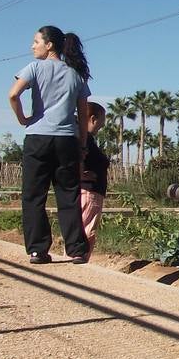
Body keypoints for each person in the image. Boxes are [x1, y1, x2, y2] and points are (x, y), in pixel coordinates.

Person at [8, 25, 92, 265]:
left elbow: (13, 95)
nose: (32, 46)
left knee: (34, 195)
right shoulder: (75, 74)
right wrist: (83, 146)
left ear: (49, 45)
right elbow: (84, 114)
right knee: (68, 194)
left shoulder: (34, 68)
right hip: (67, 140)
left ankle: (38, 250)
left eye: (36, 41)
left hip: (38, 138)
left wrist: (23, 119)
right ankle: (76, 249)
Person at [79, 102, 110, 257]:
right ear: (93, 119)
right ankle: (78, 261)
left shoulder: (86, 139)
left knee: (82, 228)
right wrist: (80, 174)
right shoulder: (85, 140)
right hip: (90, 192)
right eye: (101, 120)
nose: (102, 125)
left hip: (88, 191)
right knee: (86, 230)